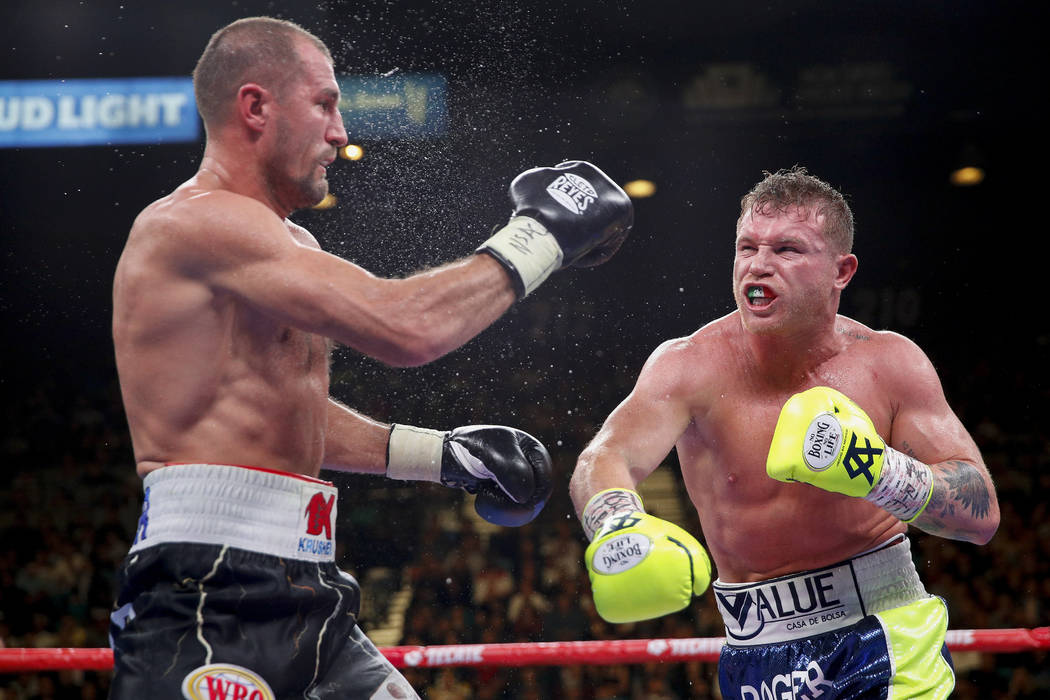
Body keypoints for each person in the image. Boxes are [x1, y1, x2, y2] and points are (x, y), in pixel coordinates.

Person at [109, 16, 633, 699]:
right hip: (209, 588)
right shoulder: (192, 224)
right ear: (255, 106)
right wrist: (542, 235)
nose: (341, 132)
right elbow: (405, 327)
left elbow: (285, 404)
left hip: (305, 584)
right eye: (324, 103)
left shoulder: (284, 243)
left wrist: (440, 455)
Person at [569, 166, 998, 698]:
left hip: (887, 636)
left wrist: (878, 471)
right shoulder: (687, 366)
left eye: (788, 250)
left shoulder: (889, 363)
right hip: (752, 652)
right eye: (747, 246)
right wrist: (616, 521)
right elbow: (607, 455)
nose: (759, 264)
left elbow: (979, 513)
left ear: (842, 271)